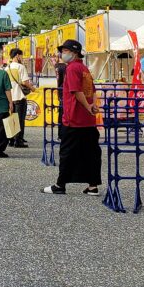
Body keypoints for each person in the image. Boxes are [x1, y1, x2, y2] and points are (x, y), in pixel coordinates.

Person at [43, 39, 101, 195]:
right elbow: (93, 90)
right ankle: (93, 186)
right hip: (88, 120)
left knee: (67, 153)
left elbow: (76, 91)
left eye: (66, 51)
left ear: (74, 53)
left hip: (74, 118)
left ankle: (60, 185)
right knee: (91, 153)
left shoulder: (72, 68)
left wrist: (88, 106)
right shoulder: (84, 68)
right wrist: (93, 106)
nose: (63, 53)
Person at [6, 48, 33, 148]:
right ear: (17, 55)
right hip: (19, 97)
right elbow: (25, 82)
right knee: (20, 119)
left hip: (10, 97)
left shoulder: (6, 68)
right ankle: (19, 141)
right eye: (21, 55)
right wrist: (32, 88)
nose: (22, 57)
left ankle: (11, 140)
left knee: (11, 119)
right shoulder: (20, 67)